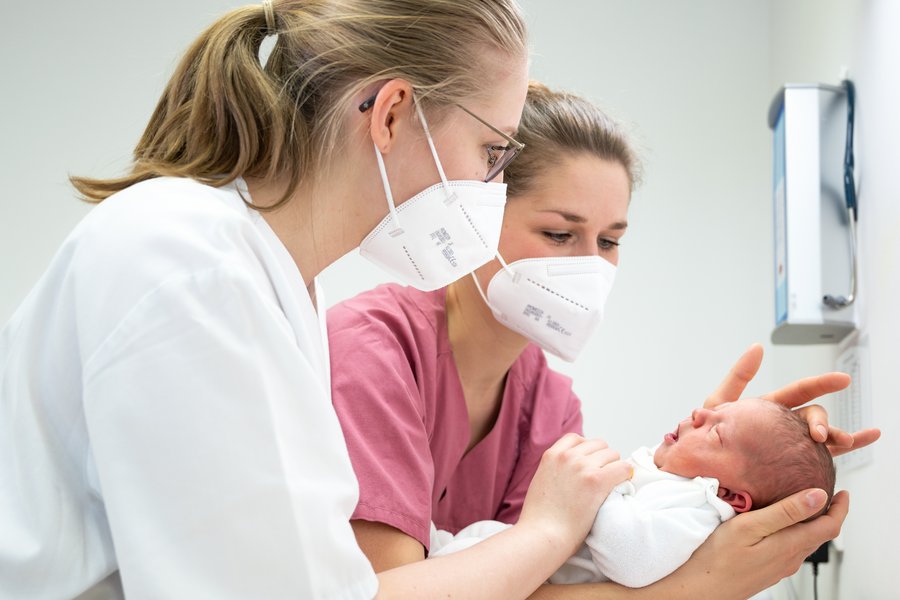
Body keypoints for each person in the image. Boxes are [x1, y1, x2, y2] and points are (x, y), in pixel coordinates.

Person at [0, 2, 643, 599]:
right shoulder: (191, 261)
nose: (491, 186)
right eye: (493, 153)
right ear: (391, 113)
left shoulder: (270, 282)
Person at [327, 82, 879, 598]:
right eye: (560, 234)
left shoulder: (548, 406)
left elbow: (538, 586)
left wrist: (725, 469)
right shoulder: (373, 351)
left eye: (610, 240)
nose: (590, 265)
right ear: (476, 216)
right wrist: (691, 587)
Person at [429, 397, 836, 588]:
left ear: (730, 497)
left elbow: (632, 560)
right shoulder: (680, 486)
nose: (698, 413)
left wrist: (600, 490)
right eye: (713, 409)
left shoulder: (699, 509)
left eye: (715, 430)